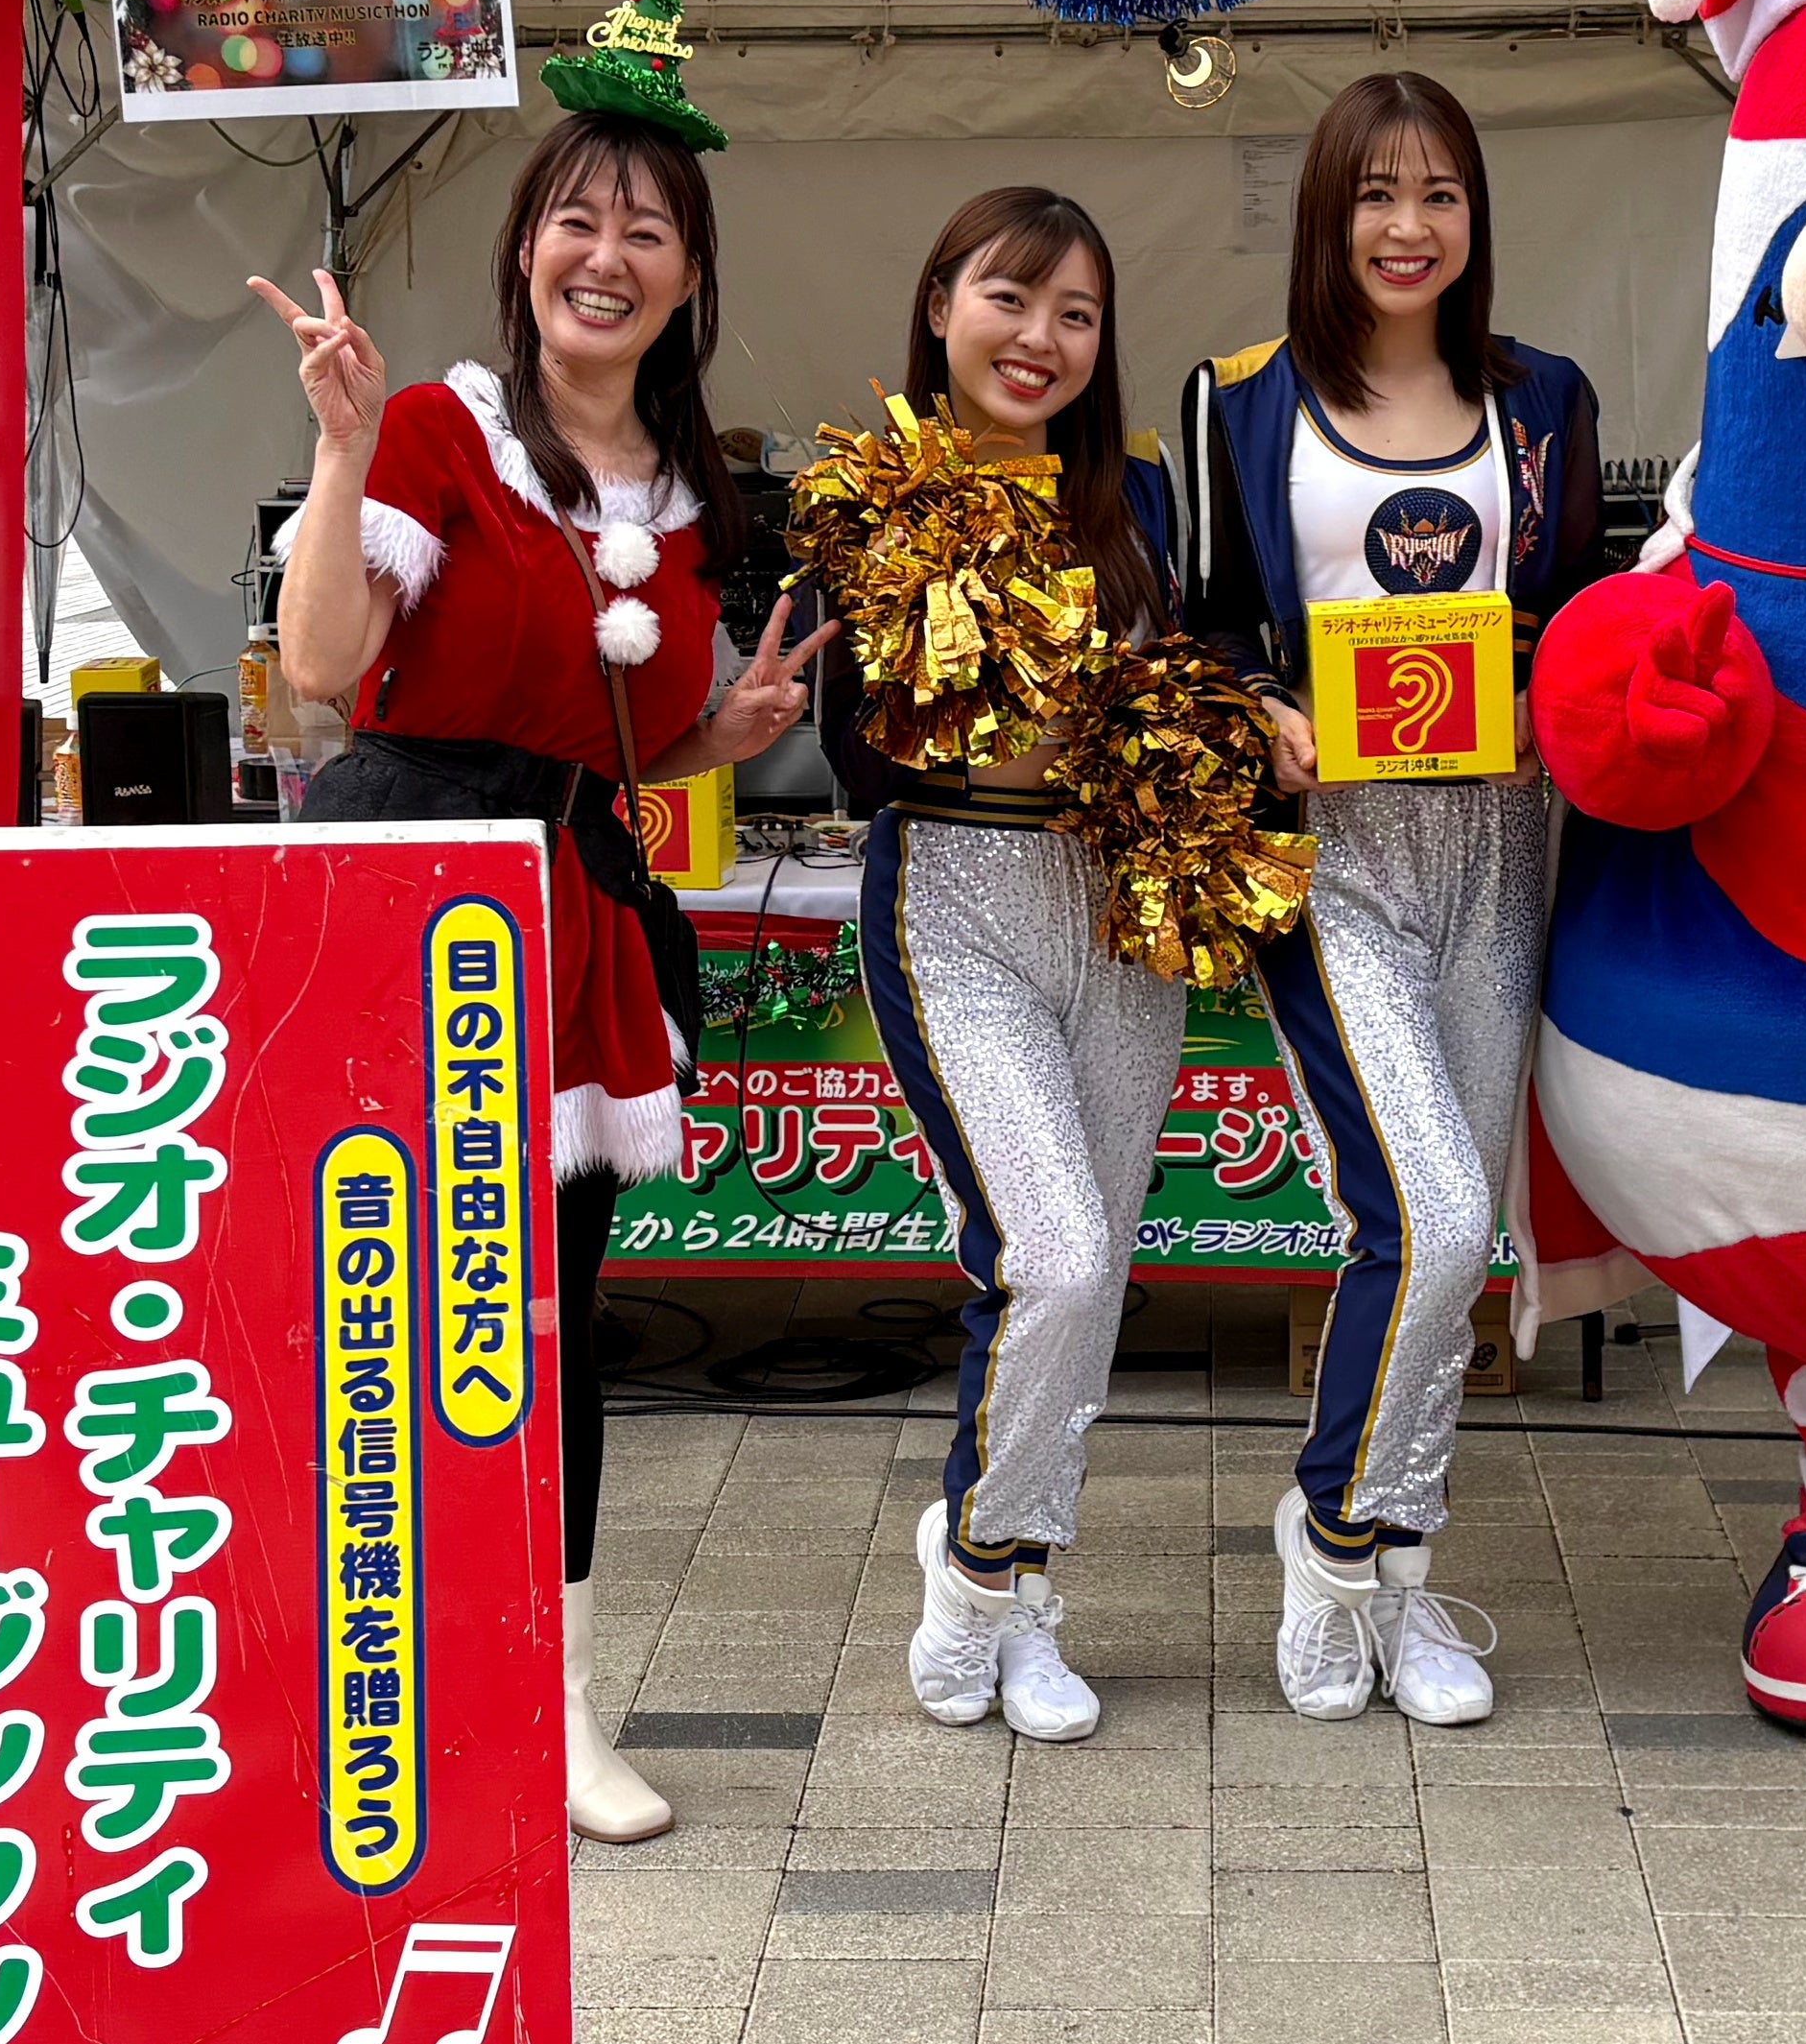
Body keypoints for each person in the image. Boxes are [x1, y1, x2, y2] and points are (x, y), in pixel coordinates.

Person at [255, 100, 822, 1847]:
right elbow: (326, 668)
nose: (607, 255)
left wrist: (713, 733)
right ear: (524, 249)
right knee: (363, 1307)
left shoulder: (692, 494)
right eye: (579, 219)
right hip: (403, 894)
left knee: (544, 1325)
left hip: (566, 909)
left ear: (690, 276)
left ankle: (545, 1699)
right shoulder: (443, 427)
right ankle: (318, 1683)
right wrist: (342, 448)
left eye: (649, 230)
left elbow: (600, 729)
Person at [1179, 71, 1599, 1728]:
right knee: (1418, 1206)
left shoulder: (1543, 399)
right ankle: (1333, 1543)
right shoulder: (1238, 400)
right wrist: (1254, 709)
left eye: (1439, 193)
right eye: (1375, 194)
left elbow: (1578, 609)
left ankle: (1401, 1571)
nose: (1408, 226)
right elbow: (1199, 623)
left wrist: (1556, 686)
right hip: (1335, 856)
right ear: (1326, 215)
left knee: (1459, 1230)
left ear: (1474, 215)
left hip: (1500, 843)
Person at [799, 190, 1196, 1746]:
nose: (1040, 338)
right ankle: (974, 1573)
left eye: (1076, 313)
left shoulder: (1139, 496)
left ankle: (1024, 1590)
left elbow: (1194, 683)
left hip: (1122, 911)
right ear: (939, 304)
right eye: (1010, 298)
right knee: (1055, 1255)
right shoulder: (871, 493)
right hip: (954, 894)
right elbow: (855, 750)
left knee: (1091, 1278)